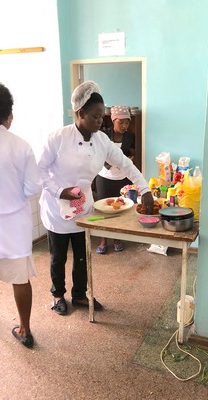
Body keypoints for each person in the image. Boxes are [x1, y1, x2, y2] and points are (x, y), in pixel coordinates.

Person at [38, 81, 154, 316]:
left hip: (84, 209)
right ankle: (58, 295)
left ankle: (80, 294)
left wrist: (145, 190)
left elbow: (125, 163)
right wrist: (60, 191)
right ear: (80, 113)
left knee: (83, 254)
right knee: (58, 257)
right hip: (57, 207)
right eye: (95, 116)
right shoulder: (58, 137)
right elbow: (38, 170)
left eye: (103, 116)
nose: (100, 121)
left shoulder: (102, 140)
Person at [0, 82, 42, 348]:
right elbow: (33, 187)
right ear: (9, 116)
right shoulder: (21, 146)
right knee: (19, 279)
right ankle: (24, 329)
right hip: (13, 224)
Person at [95, 105, 135, 254]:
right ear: (113, 120)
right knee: (104, 209)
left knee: (120, 209)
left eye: (127, 122)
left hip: (122, 179)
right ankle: (103, 240)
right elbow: (98, 153)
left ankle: (117, 238)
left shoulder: (130, 136)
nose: (124, 126)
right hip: (105, 178)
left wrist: (130, 158)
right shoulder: (103, 135)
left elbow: (133, 152)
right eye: (121, 122)